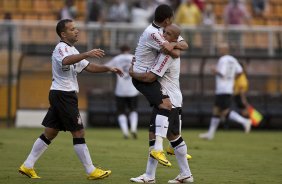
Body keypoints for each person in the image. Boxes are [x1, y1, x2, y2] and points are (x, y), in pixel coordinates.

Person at [18, 19, 123, 180]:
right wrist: (86, 53)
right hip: (63, 94)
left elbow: (88, 66)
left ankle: (27, 165)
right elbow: (66, 61)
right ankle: (91, 170)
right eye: (72, 29)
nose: (77, 31)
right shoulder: (61, 48)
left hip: (62, 94)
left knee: (50, 132)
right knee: (79, 131)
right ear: (63, 34)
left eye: (76, 28)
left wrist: (108, 68)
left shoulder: (72, 49)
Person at [130, 24, 193, 183]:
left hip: (167, 99)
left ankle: (149, 176)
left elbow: (150, 78)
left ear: (175, 38)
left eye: (168, 34)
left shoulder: (167, 56)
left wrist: (133, 72)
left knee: (155, 135)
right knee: (174, 137)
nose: (164, 35)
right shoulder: (171, 49)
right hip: (175, 97)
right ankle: (186, 174)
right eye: (164, 32)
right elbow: (182, 46)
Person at [199, 43, 251, 140]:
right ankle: (210, 134)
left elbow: (222, 74)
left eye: (220, 49)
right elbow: (240, 71)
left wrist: (214, 70)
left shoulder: (222, 60)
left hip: (222, 88)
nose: (219, 50)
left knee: (224, 111)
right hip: (228, 88)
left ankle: (244, 121)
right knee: (216, 110)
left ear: (225, 49)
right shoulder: (233, 60)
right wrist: (231, 79)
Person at [105, 45, 139, 139]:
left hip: (120, 90)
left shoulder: (117, 59)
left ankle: (125, 132)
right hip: (133, 90)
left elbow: (106, 68)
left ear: (120, 50)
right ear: (129, 49)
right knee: (133, 110)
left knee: (121, 112)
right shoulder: (134, 58)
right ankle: (133, 129)